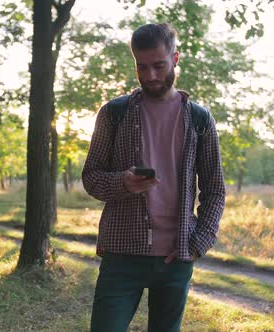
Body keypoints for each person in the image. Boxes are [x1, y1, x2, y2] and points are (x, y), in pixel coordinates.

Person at [81, 23, 225, 332]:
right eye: (141, 67)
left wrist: (198, 242)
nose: (150, 76)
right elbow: (91, 177)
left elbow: (214, 191)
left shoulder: (200, 119)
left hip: (177, 257)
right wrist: (123, 183)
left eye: (159, 66)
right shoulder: (113, 113)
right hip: (121, 254)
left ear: (175, 59)